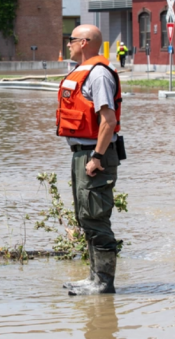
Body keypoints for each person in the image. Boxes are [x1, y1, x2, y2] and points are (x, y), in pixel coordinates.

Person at [56, 24, 123, 295]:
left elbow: (108, 120)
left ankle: (104, 283)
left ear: (84, 42)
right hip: (81, 154)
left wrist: (96, 157)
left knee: (96, 217)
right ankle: (94, 278)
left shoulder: (99, 75)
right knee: (85, 216)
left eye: (70, 40)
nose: (67, 44)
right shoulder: (82, 72)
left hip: (96, 154)